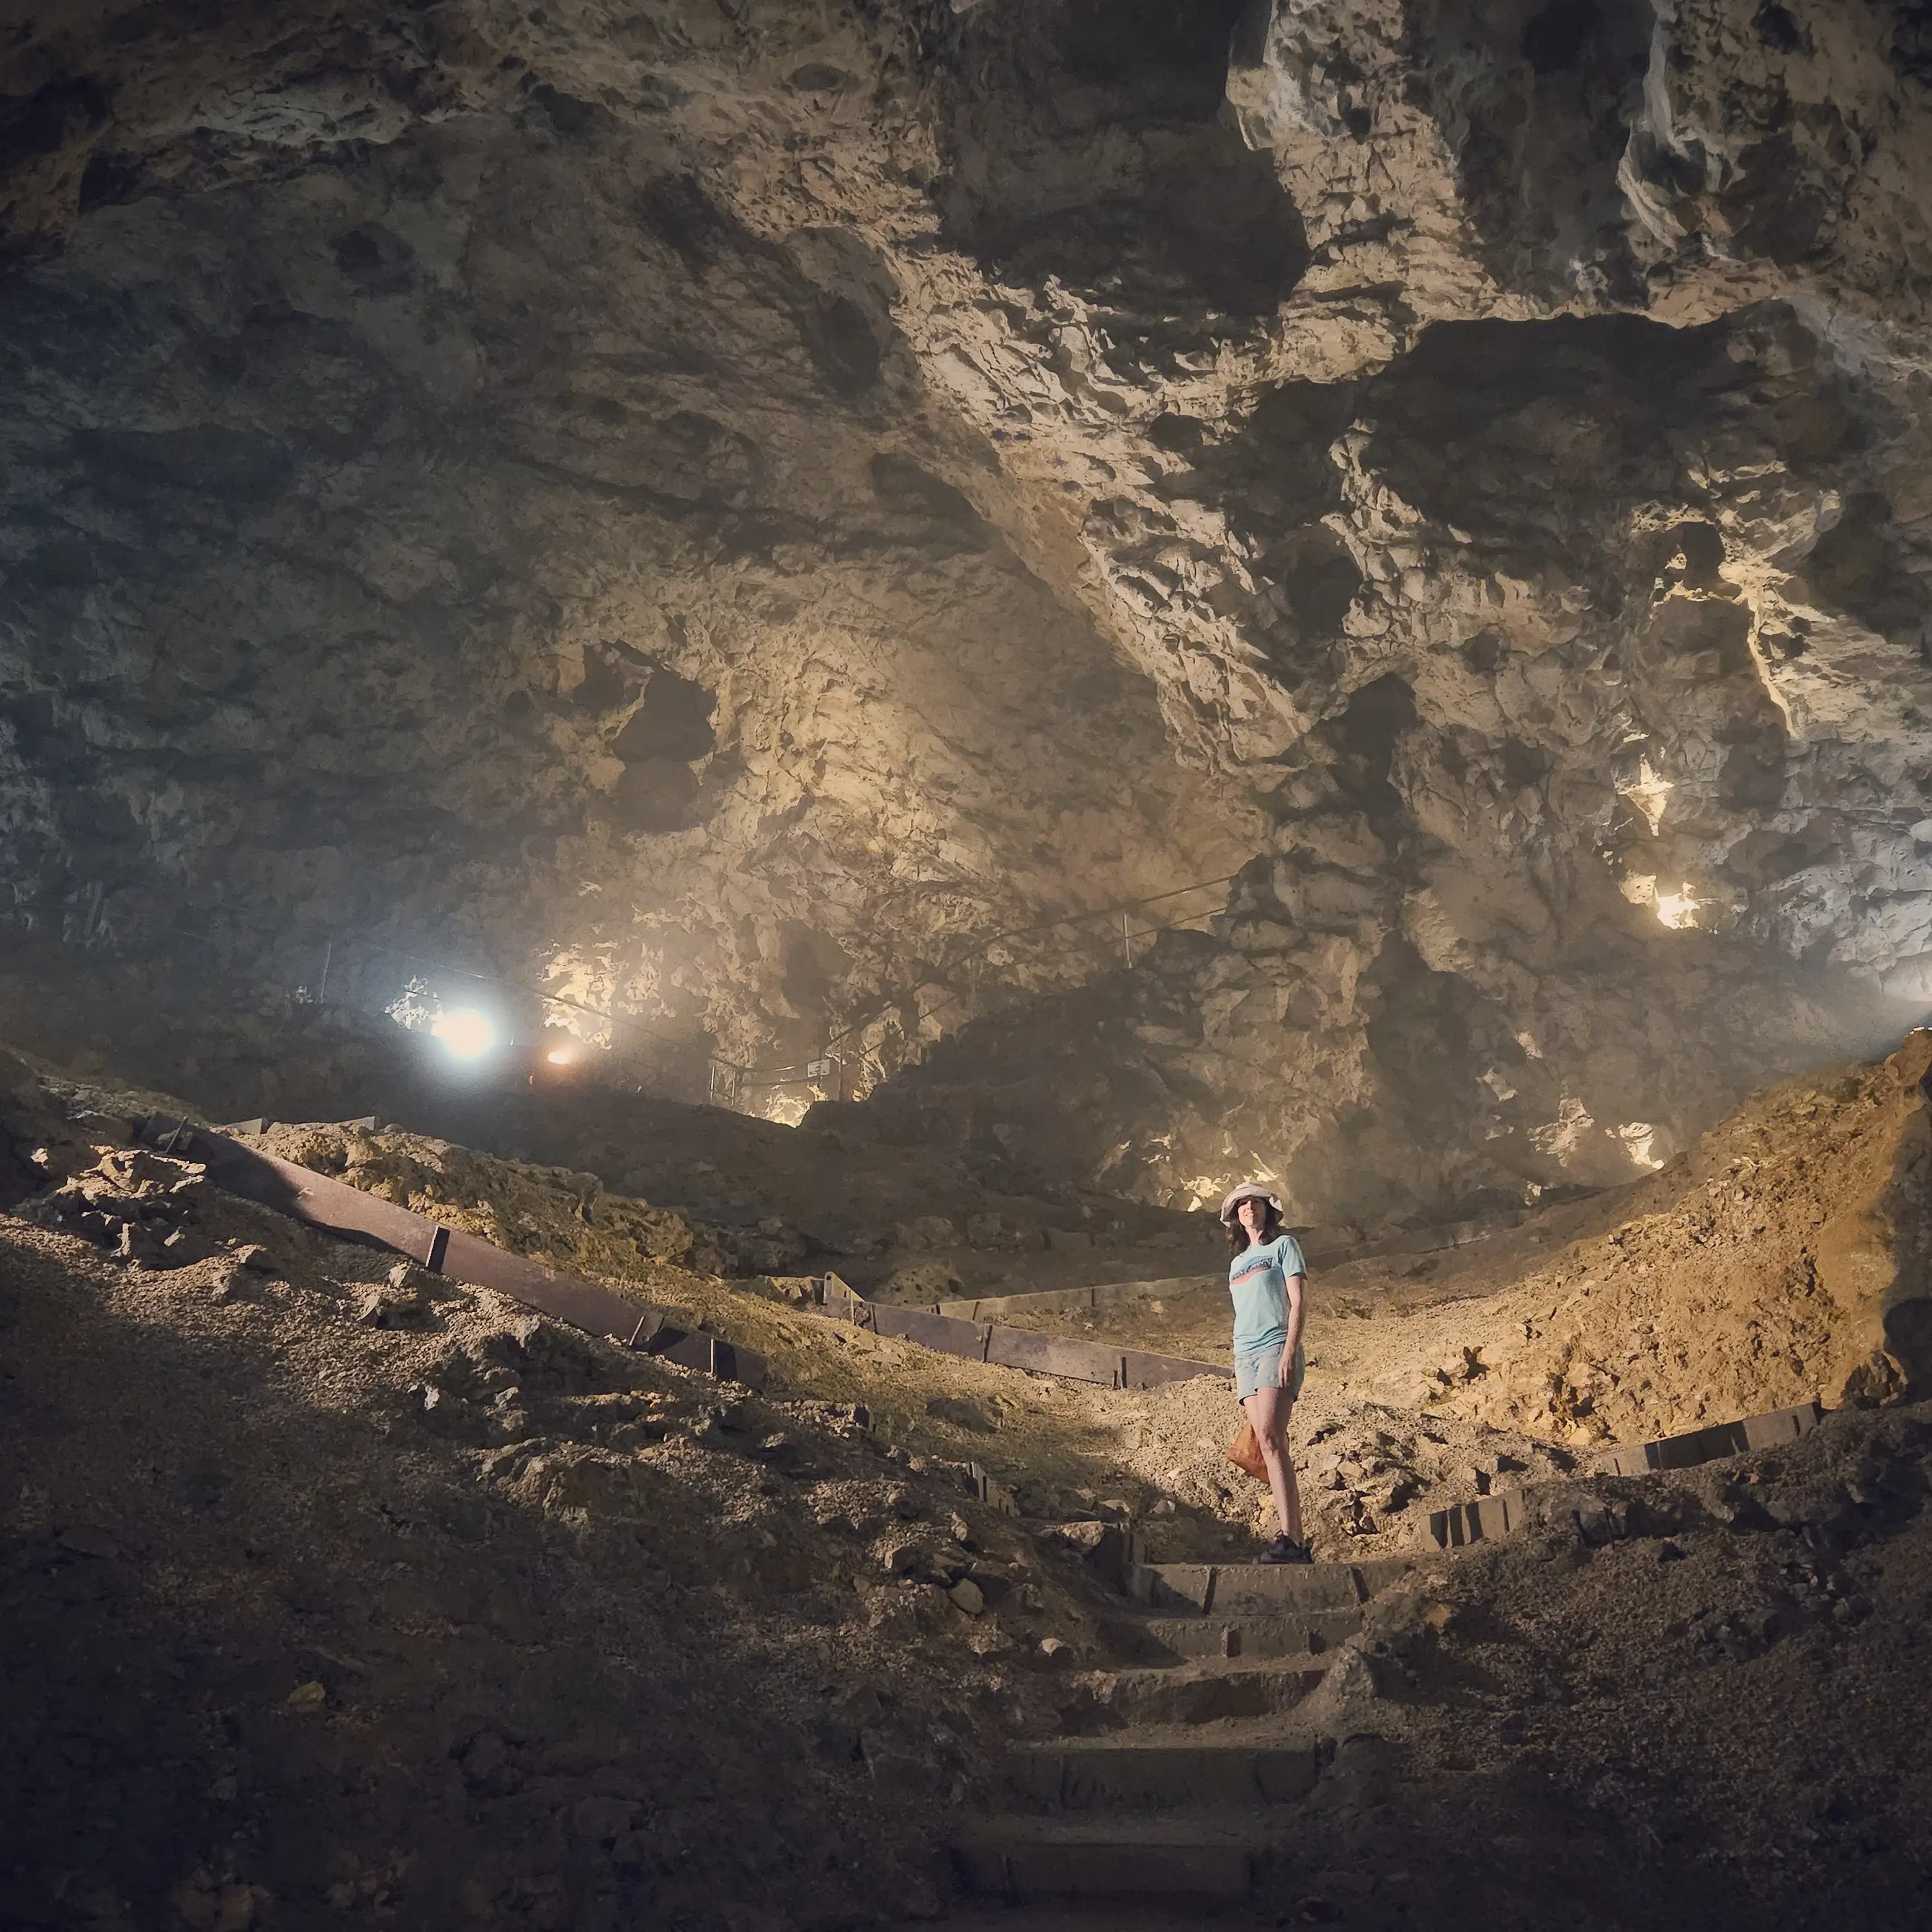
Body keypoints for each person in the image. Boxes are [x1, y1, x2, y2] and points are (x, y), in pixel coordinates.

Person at [1220, 1181, 1311, 1564]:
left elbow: (1299, 1300)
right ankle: (1289, 1538)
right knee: (1267, 1443)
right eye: (1241, 1205)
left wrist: (1291, 1349)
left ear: (1266, 1209)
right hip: (1246, 1355)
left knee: (1272, 1437)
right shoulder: (1237, 1264)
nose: (1248, 1209)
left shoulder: (1284, 1247)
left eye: (1254, 1202)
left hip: (1276, 1346)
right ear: (1236, 1218)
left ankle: (1292, 1539)